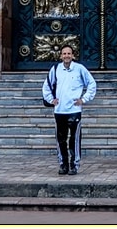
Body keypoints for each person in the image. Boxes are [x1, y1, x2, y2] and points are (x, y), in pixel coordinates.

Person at [41, 45, 96, 175]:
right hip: (59, 111)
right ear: (61, 55)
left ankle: (74, 164)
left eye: (69, 53)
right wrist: (51, 100)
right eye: (64, 53)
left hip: (74, 110)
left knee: (74, 140)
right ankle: (63, 164)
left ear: (73, 55)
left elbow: (92, 84)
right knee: (61, 139)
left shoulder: (80, 69)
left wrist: (84, 99)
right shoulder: (55, 69)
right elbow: (47, 86)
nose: (66, 56)